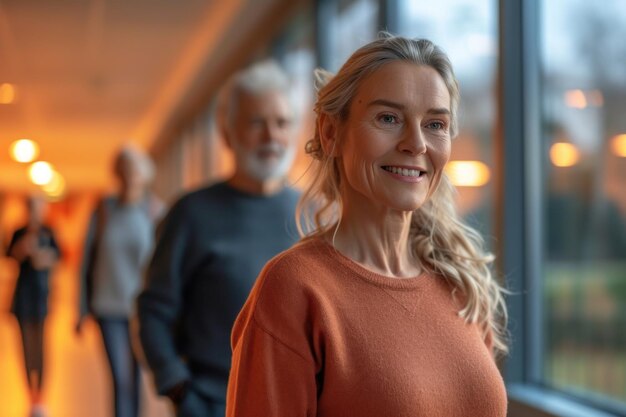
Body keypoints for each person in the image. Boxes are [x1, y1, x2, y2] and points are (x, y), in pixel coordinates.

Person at [226, 33, 509, 417]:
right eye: (388, 118)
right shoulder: (294, 289)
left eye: (435, 124)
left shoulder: (459, 280)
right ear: (330, 133)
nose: (416, 143)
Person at [137, 59, 301, 417]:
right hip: (212, 403)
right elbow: (153, 311)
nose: (272, 136)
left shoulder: (316, 215)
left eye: (282, 123)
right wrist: (178, 388)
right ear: (227, 133)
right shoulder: (190, 213)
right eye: (256, 122)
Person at [77, 145, 157, 417]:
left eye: (134, 171)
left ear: (144, 175)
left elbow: (165, 265)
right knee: (121, 378)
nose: (129, 177)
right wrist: (80, 309)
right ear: (117, 174)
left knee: (137, 380)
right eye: (123, 171)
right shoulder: (103, 211)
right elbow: (86, 261)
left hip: (141, 310)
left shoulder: (154, 211)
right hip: (108, 307)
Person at [6, 195, 60, 417]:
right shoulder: (19, 232)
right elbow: (10, 255)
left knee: (41, 348)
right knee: (26, 347)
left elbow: (57, 257)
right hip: (22, 297)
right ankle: (31, 394)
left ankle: (42, 395)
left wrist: (44, 257)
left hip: (42, 296)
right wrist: (23, 248)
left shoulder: (49, 232)